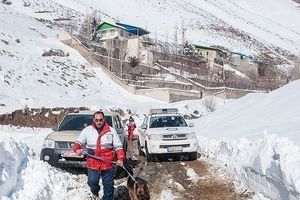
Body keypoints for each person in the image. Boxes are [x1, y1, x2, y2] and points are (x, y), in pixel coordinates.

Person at [73, 111, 125, 200]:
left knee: (108, 187)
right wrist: (77, 149)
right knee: (92, 182)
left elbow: (118, 146)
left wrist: (120, 158)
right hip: (93, 163)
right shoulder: (87, 130)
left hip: (107, 164)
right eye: (96, 120)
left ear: (104, 119)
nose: (98, 122)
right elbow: (78, 142)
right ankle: (95, 192)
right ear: (93, 120)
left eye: (100, 120)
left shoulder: (111, 131)